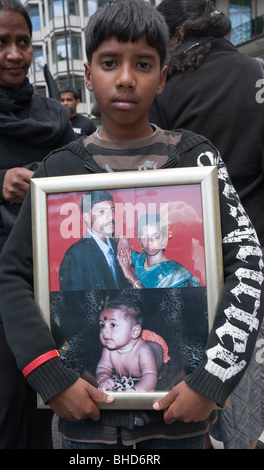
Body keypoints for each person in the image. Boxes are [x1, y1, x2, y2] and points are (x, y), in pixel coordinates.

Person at [0, 0, 263, 449]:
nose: (124, 77)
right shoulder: (58, 170)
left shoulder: (196, 157)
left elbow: (248, 262)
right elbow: (12, 275)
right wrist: (51, 375)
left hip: (181, 419)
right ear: (87, 74)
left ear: (162, 76)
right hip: (87, 424)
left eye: (142, 64)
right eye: (109, 62)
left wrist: (211, 380)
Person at [149, 0, 264, 449]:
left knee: (194, 382)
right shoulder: (255, 74)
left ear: (172, 35)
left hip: (190, 263)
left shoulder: (166, 90)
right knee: (247, 379)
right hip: (253, 260)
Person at [0, 0, 75, 449]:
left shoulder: (54, 116)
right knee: (2, 396)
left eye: (23, 43)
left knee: (42, 399)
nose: (14, 54)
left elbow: (81, 170)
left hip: (44, 277)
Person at [59, 190, 129, 291]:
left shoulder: (117, 247)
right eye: (102, 212)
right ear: (87, 217)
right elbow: (73, 301)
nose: (111, 216)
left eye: (112, 210)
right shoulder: (76, 254)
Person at [96, 297, 169, 393]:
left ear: (134, 331)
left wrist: (134, 391)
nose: (104, 330)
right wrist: (103, 379)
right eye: (102, 325)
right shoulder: (108, 350)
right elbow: (102, 368)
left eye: (113, 325)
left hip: (154, 345)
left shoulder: (143, 351)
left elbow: (150, 375)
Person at [117, 213, 200, 288]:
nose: (149, 242)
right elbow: (114, 243)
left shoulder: (174, 272)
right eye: (144, 237)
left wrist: (131, 277)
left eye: (155, 236)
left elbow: (153, 303)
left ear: (164, 240)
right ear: (140, 241)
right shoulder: (139, 260)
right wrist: (124, 237)